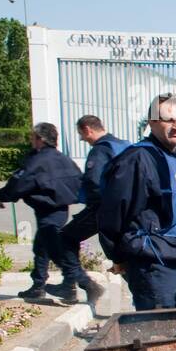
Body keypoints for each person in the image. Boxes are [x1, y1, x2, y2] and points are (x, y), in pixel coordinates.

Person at [98, 94, 176, 310]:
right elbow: (113, 212)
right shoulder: (137, 158)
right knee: (158, 332)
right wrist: (117, 256)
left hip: (174, 254)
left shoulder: (174, 155)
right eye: (169, 120)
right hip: (150, 260)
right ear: (152, 121)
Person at [0, 123, 83, 302]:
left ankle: (71, 285)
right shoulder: (64, 159)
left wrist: (2, 195)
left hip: (48, 211)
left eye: (32, 138)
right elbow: (79, 181)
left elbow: (20, 181)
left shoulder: (38, 160)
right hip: (60, 208)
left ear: (40, 139)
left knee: (53, 248)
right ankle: (39, 285)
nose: (31, 141)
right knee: (41, 247)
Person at [49, 115, 124, 304]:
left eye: (81, 134)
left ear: (87, 129)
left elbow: (93, 183)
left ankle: (80, 285)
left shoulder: (100, 151)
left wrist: (80, 199)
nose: (82, 139)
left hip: (103, 208)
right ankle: (70, 285)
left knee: (64, 238)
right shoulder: (123, 145)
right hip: (126, 209)